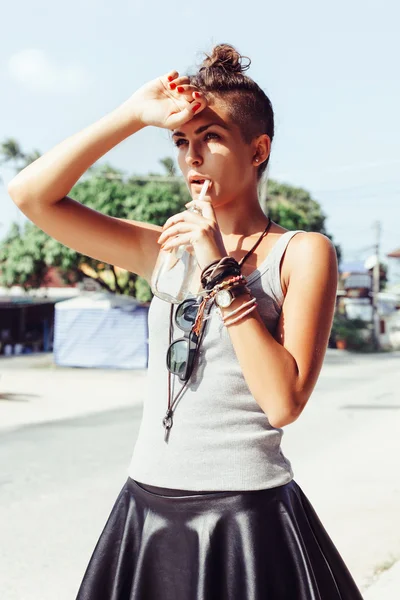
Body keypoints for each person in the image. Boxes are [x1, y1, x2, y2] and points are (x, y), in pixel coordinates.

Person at [8, 43, 364, 599]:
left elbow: (283, 403)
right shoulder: (165, 249)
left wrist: (221, 270)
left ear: (258, 149)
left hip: (245, 517)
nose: (192, 157)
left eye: (212, 138)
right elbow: (30, 195)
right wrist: (130, 114)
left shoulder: (303, 252)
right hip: (146, 509)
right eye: (181, 141)